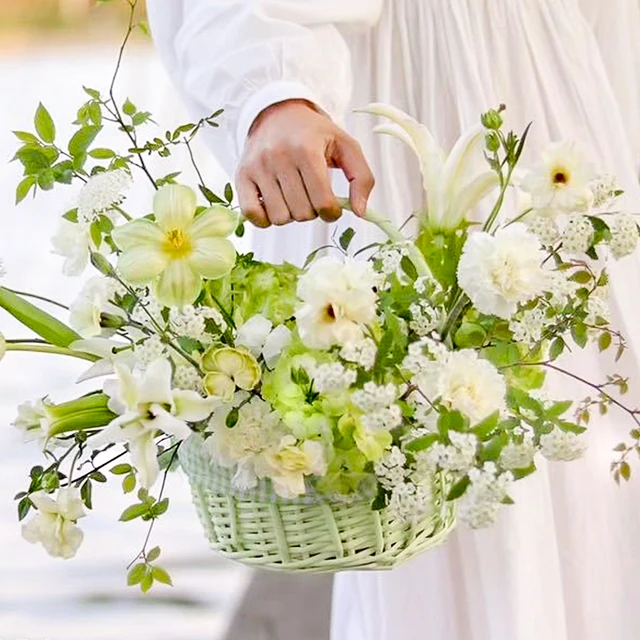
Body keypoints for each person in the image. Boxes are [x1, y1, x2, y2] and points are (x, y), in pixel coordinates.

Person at [147, 2, 640, 639]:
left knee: (599, 488)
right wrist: (274, 94)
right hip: (401, 117)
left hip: (569, 107)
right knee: (449, 524)